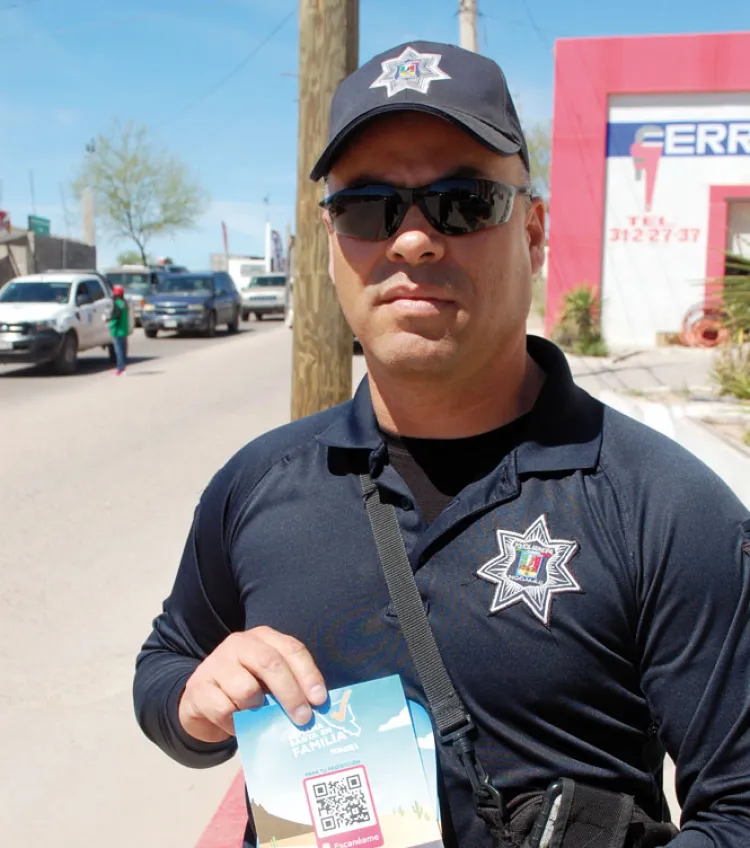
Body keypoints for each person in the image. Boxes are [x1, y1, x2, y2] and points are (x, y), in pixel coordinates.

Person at [133, 41, 750, 847]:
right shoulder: (256, 483)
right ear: (331, 242)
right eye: (369, 207)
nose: (413, 241)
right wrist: (195, 703)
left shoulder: (664, 506)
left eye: (462, 201)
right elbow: (170, 661)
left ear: (533, 231)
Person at [109, 284, 129, 375]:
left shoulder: (117, 304)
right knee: (123, 350)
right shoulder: (124, 303)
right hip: (124, 330)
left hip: (117, 331)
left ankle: (120, 368)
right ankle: (123, 368)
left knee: (119, 351)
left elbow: (115, 317)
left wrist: (110, 325)